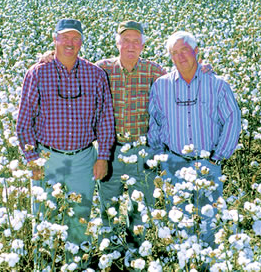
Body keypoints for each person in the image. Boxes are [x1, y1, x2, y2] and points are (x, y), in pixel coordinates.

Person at [16, 18, 115, 247]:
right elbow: (23, 123)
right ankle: (44, 265)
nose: (70, 42)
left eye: (75, 38)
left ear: (81, 42)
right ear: (55, 39)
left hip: (83, 159)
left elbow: (105, 120)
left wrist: (103, 158)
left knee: (80, 219)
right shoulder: (38, 73)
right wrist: (34, 161)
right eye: (65, 37)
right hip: (47, 159)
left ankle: (76, 262)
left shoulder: (95, 74)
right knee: (43, 220)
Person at [148, 31, 241, 247]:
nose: (180, 57)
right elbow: (154, 123)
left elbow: (232, 120)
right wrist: (160, 159)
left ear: (196, 51)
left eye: (185, 51)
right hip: (174, 164)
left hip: (208, 164)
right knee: (181, 221)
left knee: (211, 224)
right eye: (174, 53)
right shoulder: (161, 86)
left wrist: (218, 158)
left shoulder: (217, 84)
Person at [96, 21, 167, 246]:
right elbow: (73, 70)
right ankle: (108, 251)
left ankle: (137, 253)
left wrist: (203, 69)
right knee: (108, 206)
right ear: (117, 43)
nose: (130, 45)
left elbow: (182, 82)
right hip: (110, 151)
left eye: (136, 41)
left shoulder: (154, 71)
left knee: (141, 208)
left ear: (142, 46)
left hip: (142, 151)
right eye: (126, 40)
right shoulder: (102, 69)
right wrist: (49, 56)